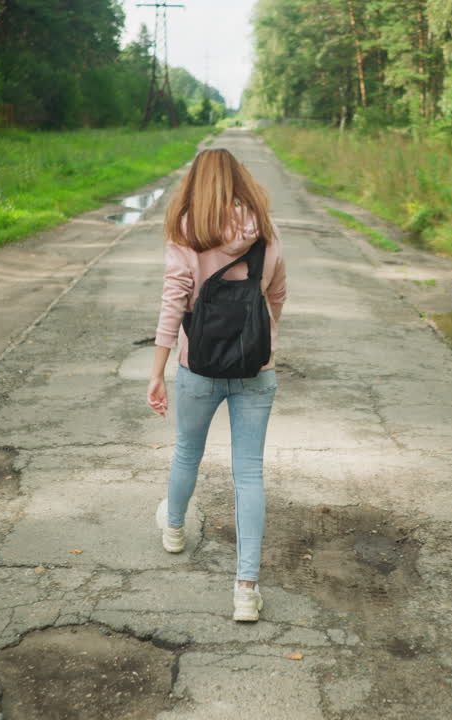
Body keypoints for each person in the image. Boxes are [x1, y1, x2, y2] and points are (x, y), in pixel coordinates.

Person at [146, 148, 287, 623]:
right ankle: (246, 588)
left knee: (188, 451)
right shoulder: (265, 231)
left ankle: (174, 529)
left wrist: (157, 370)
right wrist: (263, 341)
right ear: (241, 182)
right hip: (256, 371)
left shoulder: (186, 232)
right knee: (249, 474)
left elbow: (173, 302)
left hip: (198, 368)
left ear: (194, 185)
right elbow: (278, 293)